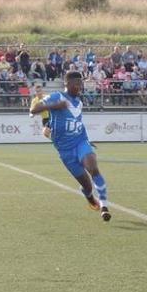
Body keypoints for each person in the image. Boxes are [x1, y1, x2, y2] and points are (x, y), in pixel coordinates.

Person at [29, 71, 111, 221]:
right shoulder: (56, 96)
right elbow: (33, 110)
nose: (80, 87)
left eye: (81, 84)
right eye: (76, 84)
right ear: (67, 84)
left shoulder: (79, 103)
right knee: (87, 186)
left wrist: (87, 141)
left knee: (93, 168)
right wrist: (55, 105)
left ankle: (104, 207)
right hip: (65, 150)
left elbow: (78, 123)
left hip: (80, 142)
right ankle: (90, 197)